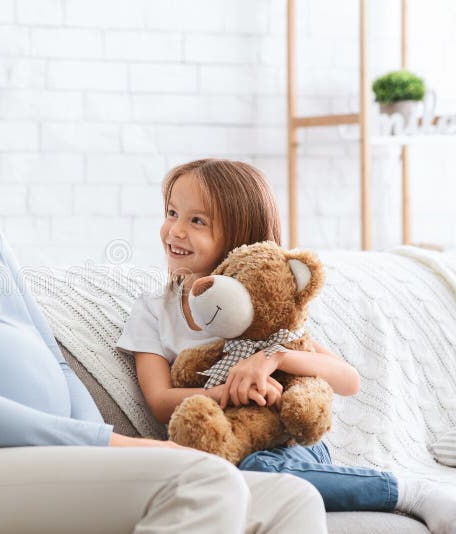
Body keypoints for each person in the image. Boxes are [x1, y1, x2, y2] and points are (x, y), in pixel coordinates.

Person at [0, 21, 329, 534]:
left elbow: (53, 361)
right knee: (201, 482)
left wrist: (99, 446)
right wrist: (111, 448)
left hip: (37, 462)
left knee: (291, 500)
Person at [117, 158, 456, 534]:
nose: (175, 230)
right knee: (243, 473)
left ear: (239, 233)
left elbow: (348, 380)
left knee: (260, 469)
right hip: (220, 443)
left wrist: (271, 358)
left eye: (197, 221)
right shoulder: (154, 310)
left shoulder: (264, 307)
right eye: (172, 213)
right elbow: (161, 401)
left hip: (290, 441)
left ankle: (410, 492)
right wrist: (229, 392)